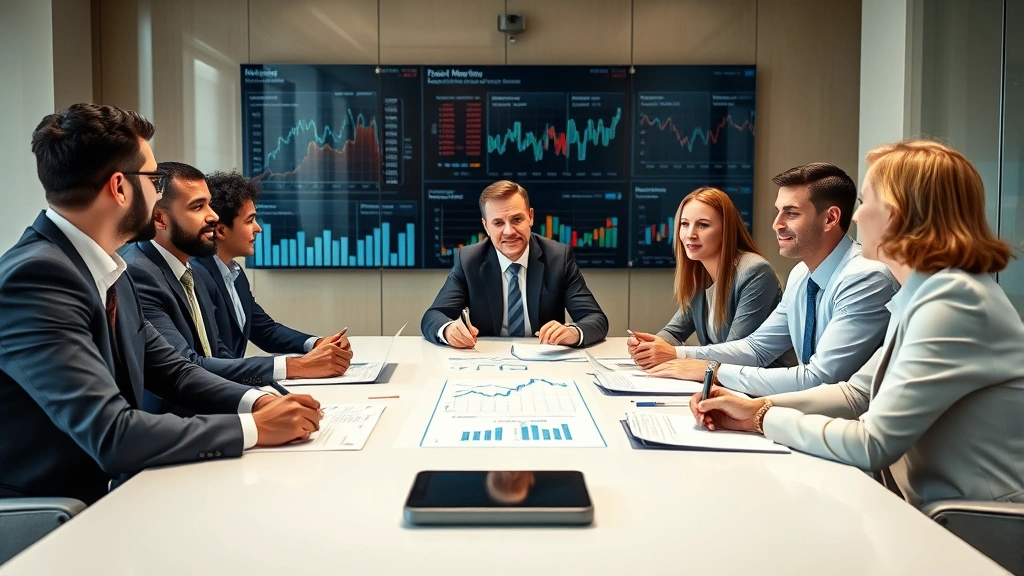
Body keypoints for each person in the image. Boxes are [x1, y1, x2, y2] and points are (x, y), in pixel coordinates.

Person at [0, 103, 321, 504]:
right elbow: (111, 434)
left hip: (116, 494)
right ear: (119, 187)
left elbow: (174, 372)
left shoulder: (111, 267)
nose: (158, 193)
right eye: (153, 180)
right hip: (54, 517)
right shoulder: (37, 278)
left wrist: (262, 401)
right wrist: (253, 428)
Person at [689, 140, 1024, 508]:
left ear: (896, 214)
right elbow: (856, 394)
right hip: (932, 512)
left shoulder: (954, 304)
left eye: (865, 204)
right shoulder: (928, 293)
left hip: (979, 528)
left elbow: (872, 444)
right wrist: (755, 407)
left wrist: (764, 418)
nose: (856, 216)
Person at [647, 163, 898, 396]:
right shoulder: (801, 274)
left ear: (830, 218)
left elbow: (820, 379)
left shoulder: (865, 277)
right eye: (778, 212)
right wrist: (678, 354)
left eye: (791, 213)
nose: (776, 224)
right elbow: (756, 348)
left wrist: (713, 371)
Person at [122, 162, 352, 394]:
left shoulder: (190, 272)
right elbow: (187, 366)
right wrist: (296, 367)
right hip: (177, 421)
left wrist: (276, 397)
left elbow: (219, 353)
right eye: (198, 206)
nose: (213, 216)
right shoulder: (140, 274)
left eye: (210, 204)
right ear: (160, 219)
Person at [421, 180, 608, 348]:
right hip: (487, 360)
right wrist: (448, 330)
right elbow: (433, 316)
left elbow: (596, 319)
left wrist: (573, 333)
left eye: (517, 219)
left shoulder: (558, 257)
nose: (509, 231)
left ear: (531, 217)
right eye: (498, 223)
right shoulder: (469, 260)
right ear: (486, 226)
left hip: (545, 361)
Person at [626, 187, 795, 369]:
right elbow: (674, 333)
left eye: (703, 225)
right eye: (684, 224)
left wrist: (672, 354)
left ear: (726, 231)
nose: (690, 234)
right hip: (717, 380)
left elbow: (735, 353)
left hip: (758, 387)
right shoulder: (700, 273)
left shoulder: (755, 271)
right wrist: (648, 346)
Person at [192, 171, 346, 359]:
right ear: (222, 230)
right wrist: (297, 368)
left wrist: (317, 343)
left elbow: (265, 331)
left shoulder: (235, 274)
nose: (258, 228)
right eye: (250, 220)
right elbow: (214, 360)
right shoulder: (197, 277)